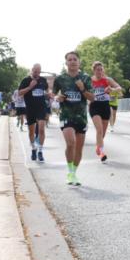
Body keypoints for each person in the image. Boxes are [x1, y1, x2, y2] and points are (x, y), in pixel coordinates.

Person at [53, 51, 94, 186]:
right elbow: (52, 95)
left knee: (79, 148)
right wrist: (57, 98)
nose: (72, 61)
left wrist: (82, 89)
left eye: (74, 59)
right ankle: (70, 172)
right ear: (66, 63)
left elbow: (92, 98)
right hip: (66, 115)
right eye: (69, 60)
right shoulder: (60, 79)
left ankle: (73, 173)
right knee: (71, 143)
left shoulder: (86, 78)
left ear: (79, 62)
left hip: (81, 117)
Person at [89, 61, 123, 162]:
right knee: (99, 130)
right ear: (94, 70)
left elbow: (119, 88)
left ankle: (98, 147)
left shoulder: (107, 80)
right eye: (97, 70)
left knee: (103, 133)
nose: (99, 72)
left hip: (105, 106)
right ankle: (102, 152)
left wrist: (111, 89)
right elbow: (84, 91)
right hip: (94, 106)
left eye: (101, 69)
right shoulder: (90, 80)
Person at [19, 64, 50, 163]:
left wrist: (48, 93)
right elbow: (20, 93)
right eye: (35, 71)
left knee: (41, 130)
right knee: (31, 132)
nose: (37, 73)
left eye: (39, 71)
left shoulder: (43, 80)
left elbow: (47, 89)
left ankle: (40, 151)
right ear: (32, 70)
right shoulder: (26, 80)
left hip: (41, 108)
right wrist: (30, 87)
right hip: (30, 109)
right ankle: (33, 148)